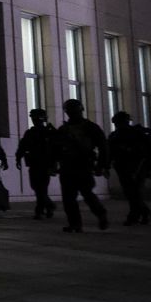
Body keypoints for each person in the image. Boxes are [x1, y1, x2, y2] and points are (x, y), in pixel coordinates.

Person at [54, 99, 109, 233]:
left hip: (83, 165)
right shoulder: (64, 130)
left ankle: (100, 214)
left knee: (87, 194)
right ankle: (75, 223)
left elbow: (103, 147)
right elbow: (55, 149)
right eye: (69, 110)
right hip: (68, 167)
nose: (71, 113)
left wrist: (102, 165)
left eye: (73, 110)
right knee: (69, 198)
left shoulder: (90, 128)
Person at [108, 111, 151, 225]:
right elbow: (110, 151)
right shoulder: (116, 135)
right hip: (124, 167)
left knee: (134, 193)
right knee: (131, 193)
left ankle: (136, 216)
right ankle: (143, 214)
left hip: (138, 167)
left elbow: (150, 152)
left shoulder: (137, 134)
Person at [15, 108, 58, 220]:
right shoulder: (31, 133)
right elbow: (23, 146)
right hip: (35, 164)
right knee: (37, 187)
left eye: (36, 118)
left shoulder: (49, 133)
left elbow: (55, 149)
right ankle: (48, 207)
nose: (34, 121)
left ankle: (41, 210)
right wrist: (18, 158)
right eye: (33, 118)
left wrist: (53, 165)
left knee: (41, 189)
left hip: (44, 164)